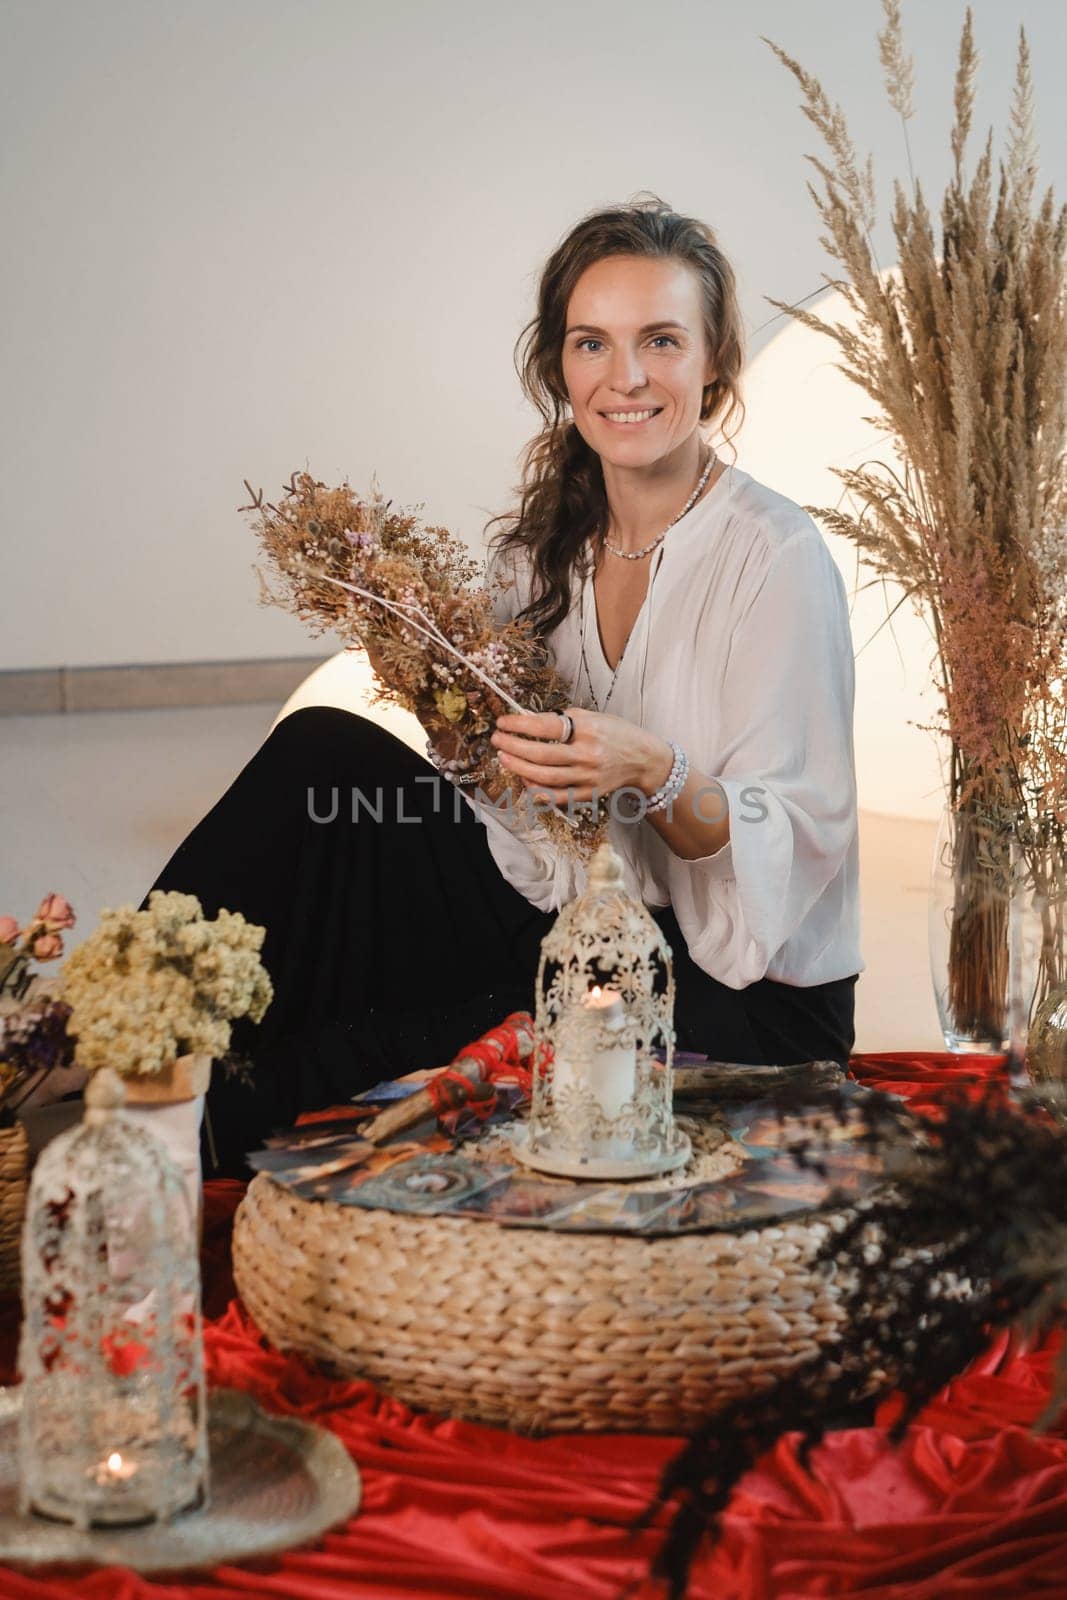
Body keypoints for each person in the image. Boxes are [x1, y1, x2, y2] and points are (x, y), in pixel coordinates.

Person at [142, 194, 863, 1175]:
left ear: (714, 361)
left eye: (659, 340)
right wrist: (455, 709)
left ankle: (223, 1124)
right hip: (575, 911)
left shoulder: (773, 555)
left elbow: (779, 841)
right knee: (326, 755)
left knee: (426, 1034)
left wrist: (646, 767)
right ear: (557, 370)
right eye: (590, 344)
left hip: (734, 984)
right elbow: (513, 802)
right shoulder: (541, 548)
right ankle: (127, 1023)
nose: (626, 377)